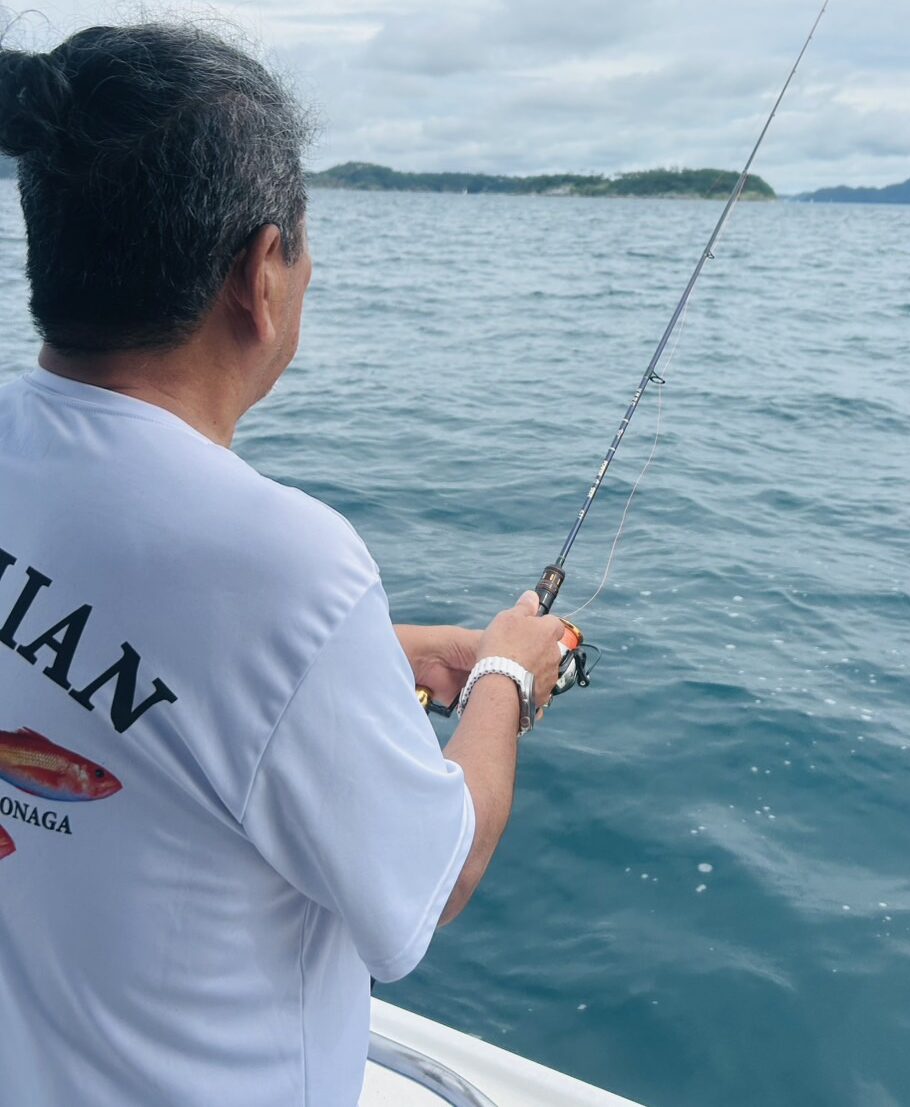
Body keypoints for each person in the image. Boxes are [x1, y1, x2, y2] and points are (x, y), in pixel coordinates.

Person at [0, 22, 564, 1107]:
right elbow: (431, 885)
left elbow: (97, 661)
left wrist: (370, 659)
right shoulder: (281, 565)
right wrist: (505, 677)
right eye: (302, 245)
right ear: (262, 274)